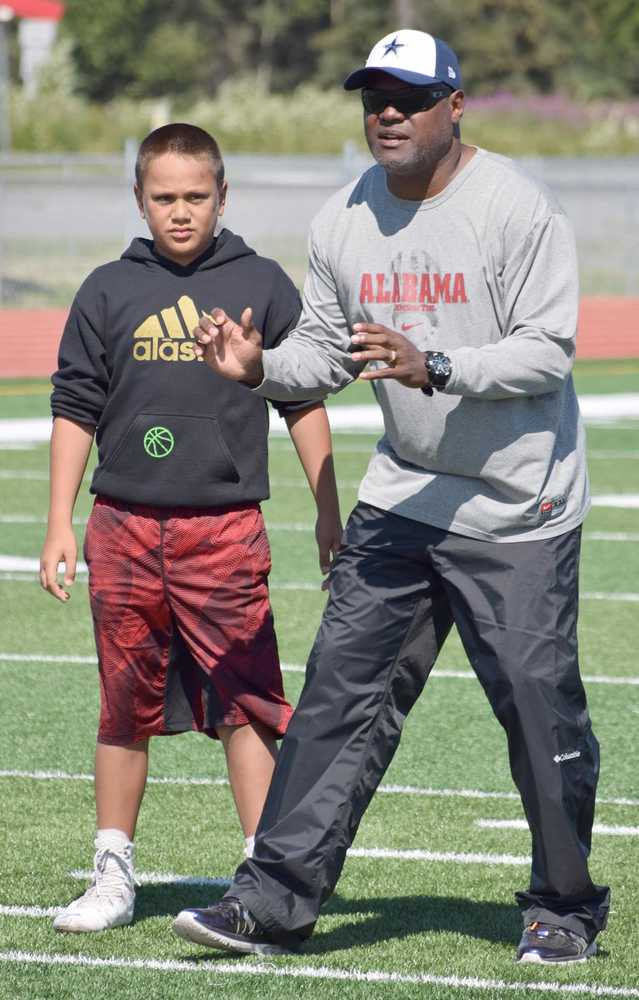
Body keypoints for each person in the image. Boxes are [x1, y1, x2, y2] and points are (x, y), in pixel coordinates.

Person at [171, 30, 610, 965]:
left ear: (456, 105)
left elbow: (546, 351)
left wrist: (437, 364)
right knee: (336, 696)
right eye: (374, 96)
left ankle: (562, 910)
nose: (387, 113)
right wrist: (257, 368)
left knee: (538, 707)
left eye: (409, 96)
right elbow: (325, 353)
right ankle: (272, 902)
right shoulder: (342, 220)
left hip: (515, 504)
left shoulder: (515, 209)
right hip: (404, 496)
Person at [39, 123, 342, 934]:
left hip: (224, 531)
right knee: (122, 704)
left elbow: (303, 399)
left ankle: (266, 875)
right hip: (124, 525)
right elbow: (74, 407)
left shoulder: (261, 283)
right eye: (164, 197)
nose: (180, 211)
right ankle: (112, 873)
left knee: (248, 704)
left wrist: (327, 509)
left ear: (222, 195)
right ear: (139, 198)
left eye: (195, 196)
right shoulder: (106, 288)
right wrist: (59, 523)